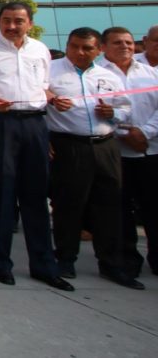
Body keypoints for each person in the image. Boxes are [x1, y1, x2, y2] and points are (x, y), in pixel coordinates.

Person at [0, 1, 72, 291]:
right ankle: (1, 263)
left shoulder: (40, 50)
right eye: (6, 20)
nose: (12, 26)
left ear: (30, 23)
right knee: (0, 195)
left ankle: (44, 265)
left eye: (18, 21)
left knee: (36, 196)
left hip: (35, 124)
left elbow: (43, 86)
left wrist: (53, 97)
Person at [47, 27, 142, 289]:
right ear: (67, 45)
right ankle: (65, 258)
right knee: (69, 204)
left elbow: (126, 109)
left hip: (105, 145)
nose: (80, 52)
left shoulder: (107, 76)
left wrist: (113, 113)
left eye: (87, 48)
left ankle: (111, 263)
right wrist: (52, 100)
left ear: (98, 50)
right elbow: (36, 101)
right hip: (68, 145)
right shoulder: (51, 71)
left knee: (110, 204)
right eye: (74, 46)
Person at [98, 27, 158, 279]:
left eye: (128, 42)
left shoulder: (151, 74)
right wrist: (126, 133)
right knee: (119, 210)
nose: (124, 46)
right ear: (103, 47)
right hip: (116, 151)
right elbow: (94, 111)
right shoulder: (97, 74)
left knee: (154, 207)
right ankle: (126, 259)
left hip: (150, 149)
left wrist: (144, 133)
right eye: (117, 43)